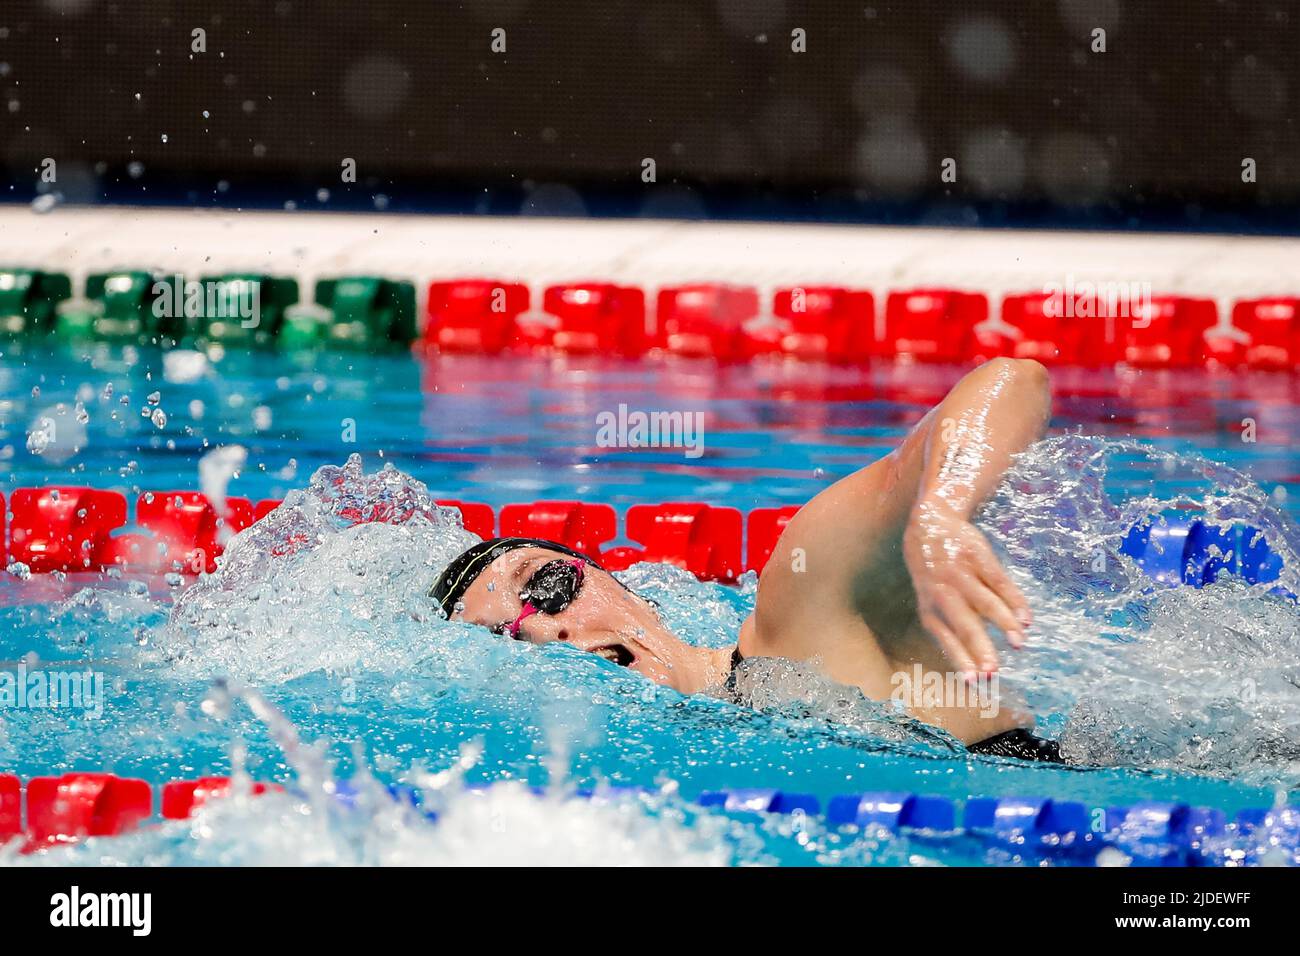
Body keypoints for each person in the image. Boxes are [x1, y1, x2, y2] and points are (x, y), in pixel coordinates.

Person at [431, 357, 1061, 761]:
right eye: (510, 639)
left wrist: (941, 513)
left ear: (618, 582)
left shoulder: (802, 615)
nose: (546, 628)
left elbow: (1010, 382)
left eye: (543, 586)